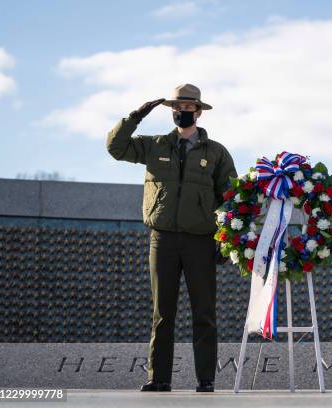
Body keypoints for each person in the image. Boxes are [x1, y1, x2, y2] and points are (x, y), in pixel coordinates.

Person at [106, 84, 237, 393]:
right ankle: (158, 377)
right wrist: (136, 116)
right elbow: (116, 147)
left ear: (199, 111)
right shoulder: (155, 145)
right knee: (162, 312)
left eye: (188, 107)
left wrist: (224, 240)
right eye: (177, 107)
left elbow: (231, 198)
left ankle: (206, 379)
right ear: (172, 111)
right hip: (162, 239)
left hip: (201, 241)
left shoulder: (216, 151)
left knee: (204, 311)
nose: (182, 112)